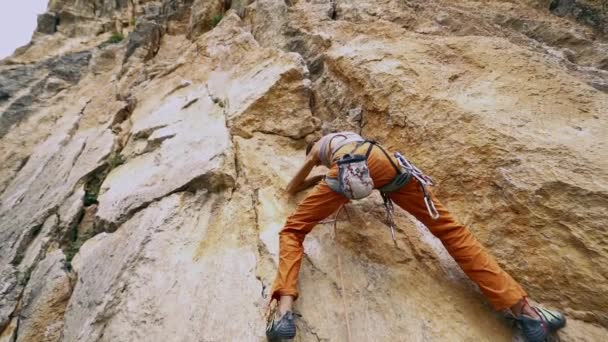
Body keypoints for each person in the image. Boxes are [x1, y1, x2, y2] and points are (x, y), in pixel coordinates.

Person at [265, 131, 566, 342]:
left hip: (350, 168)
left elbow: (293, 185)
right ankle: (527, 312)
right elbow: (367, 173)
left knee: (293, 230)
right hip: (388, 163)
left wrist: (317, 171)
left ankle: (283, 316)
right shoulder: (346, 135)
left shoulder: (319, 147)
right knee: (451, 231)